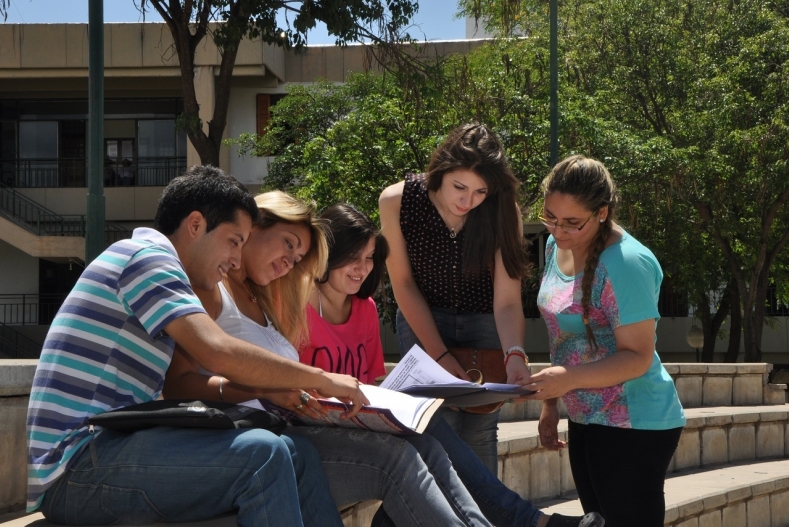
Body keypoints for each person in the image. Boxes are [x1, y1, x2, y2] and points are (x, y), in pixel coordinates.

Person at [26, 166, 368, 527]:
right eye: (234, 241)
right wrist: (323, 379)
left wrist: (263, 387)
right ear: (195, 225)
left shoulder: (157, 264)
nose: (236, 259)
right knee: (264, 455)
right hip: (74, 466)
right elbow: (217, 350)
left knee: (299, 454)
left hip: (109, 449)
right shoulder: (145, 257)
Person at [163, 191, 493, 527]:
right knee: (396, 459)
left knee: (426, 444)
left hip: (296, 432)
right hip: (259, 445)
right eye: (288, 244)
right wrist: (266, 389)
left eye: (297, 257)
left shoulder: (263, 299)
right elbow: (178, 384)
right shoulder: (211, 287)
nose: (289, 262)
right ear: (253, 226)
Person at [303, 203, 604, 527]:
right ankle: (531, 522)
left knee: (428, 437)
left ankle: (528, 522)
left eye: (369, 258)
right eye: (352, 257)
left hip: (353, 426)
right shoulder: (297, 307)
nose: (362, 268)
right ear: (327, 253)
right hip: (313, 433)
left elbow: (367, 385)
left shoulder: (365, 309)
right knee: (419, 450)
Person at [525, 155, 686, 527]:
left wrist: (567, 380)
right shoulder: (555, 246)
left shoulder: (627, 263)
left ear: (601, 212)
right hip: (586, 416)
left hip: (634, 424)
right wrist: (552, 403)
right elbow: (563, 337)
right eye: (549, 217)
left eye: (570, 223)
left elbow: (637, 358)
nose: (557, 230)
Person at [379, 123, 533, 475]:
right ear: (440, 170)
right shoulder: (397, 200)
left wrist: (515, 354)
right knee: (435, 426)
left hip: (487, 320)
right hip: (423, 317)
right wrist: (440, 355)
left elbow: (508, 300)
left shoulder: (502, 207)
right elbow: (403, 284)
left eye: (480, 191)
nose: (468, 201)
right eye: (459, 187)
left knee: (481, 429)